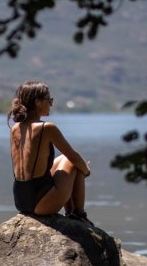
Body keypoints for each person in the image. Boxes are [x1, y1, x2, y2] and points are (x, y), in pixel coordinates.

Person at [7, 80, 92, 224]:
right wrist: (86, 171)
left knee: (64, 159)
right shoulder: (47, 128)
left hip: (20, 201)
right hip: (41, 202)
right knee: (74, 162)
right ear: (38, 102)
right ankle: (78, 214)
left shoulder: (15, 128)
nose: (51, 104)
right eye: (49, 100)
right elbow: (74, 157)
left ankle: (73, 213)